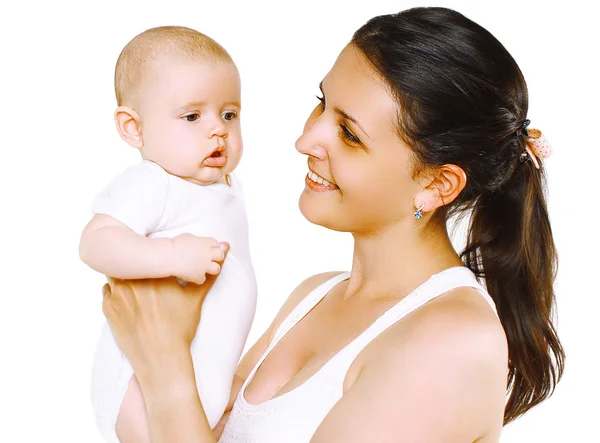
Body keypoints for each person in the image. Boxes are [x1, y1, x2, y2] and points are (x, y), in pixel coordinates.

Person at [101, 7, 565, 443]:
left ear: (437, 184)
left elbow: (175, 408)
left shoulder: (453, 340)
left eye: (349, 133)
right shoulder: (314, 296)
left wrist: (164, 367)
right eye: (321, 103)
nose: (305, 139)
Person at [79, 26, 257, 443]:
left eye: (229, 114)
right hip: (136, 380)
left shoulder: (223, 187)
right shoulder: (151, 182)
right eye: (192, 116)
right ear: (133, 129)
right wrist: (172, 256)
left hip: (195, 375)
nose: (218, 130)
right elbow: (95, 242)